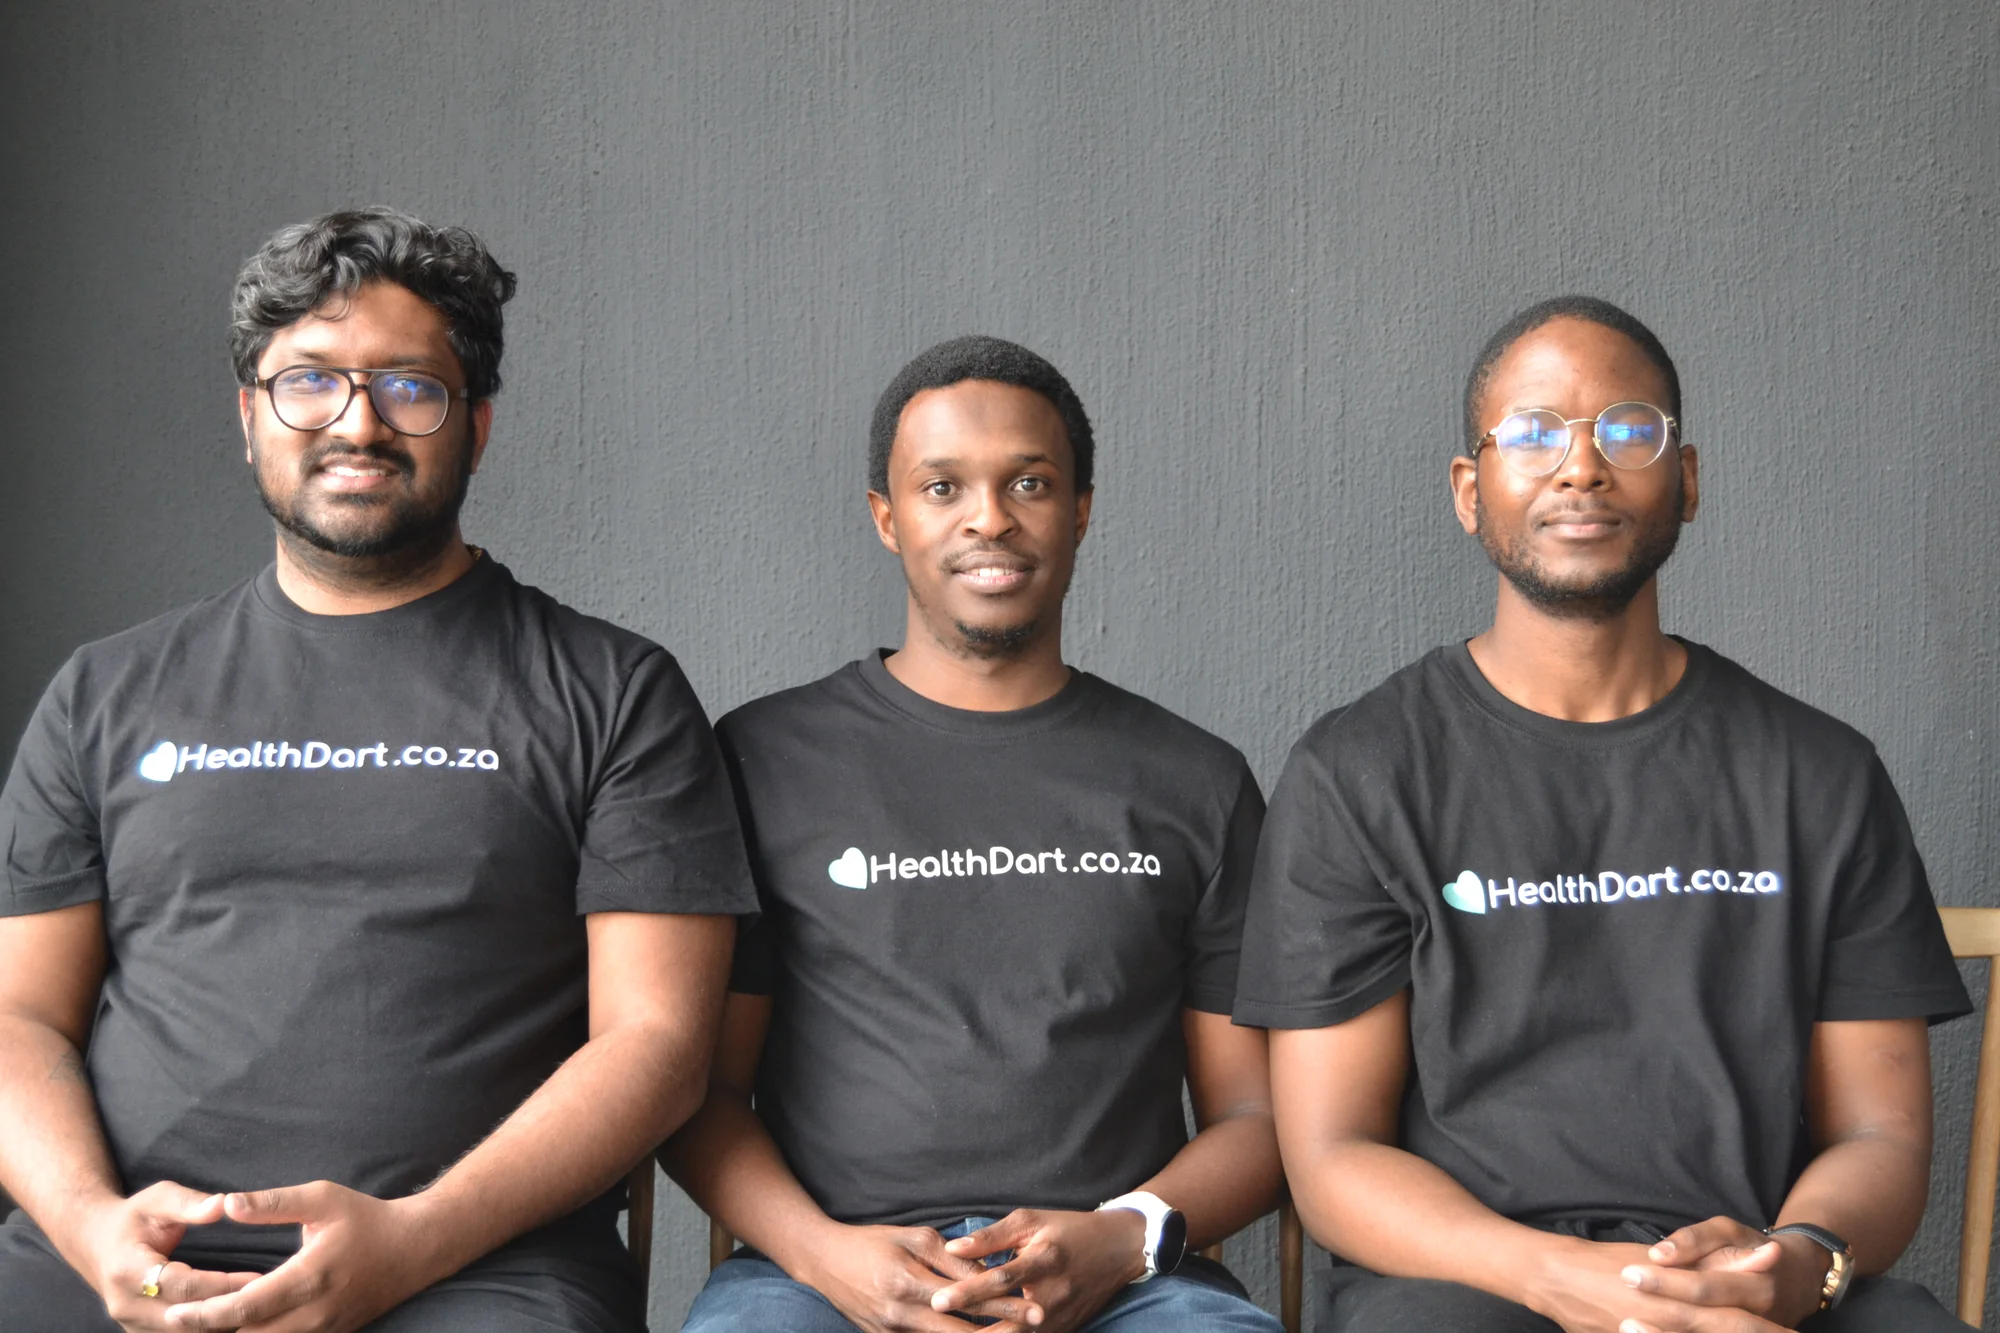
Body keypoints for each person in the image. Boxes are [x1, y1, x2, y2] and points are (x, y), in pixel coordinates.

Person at [0, 207, 756, 1333]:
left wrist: (413, 1241)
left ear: (479, 424)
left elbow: (657, 1046)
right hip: (126, 1252)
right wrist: (90, 1224)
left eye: (409, 386)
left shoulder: (614, 689)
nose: (357, 423)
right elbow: (18, 1014)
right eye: (309, 382)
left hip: (480, 1264)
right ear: (249, 415)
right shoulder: (106, 691)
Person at [1233, 295, 1973, 1333]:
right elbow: (1331, 1159)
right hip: (1469, 1286)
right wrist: (1555, 1278)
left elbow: (1880, 1138)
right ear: (1467, 488)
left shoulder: (1818, 773)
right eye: (1531, 433)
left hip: (1744, 1272)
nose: (1579, 465)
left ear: (1686, 479)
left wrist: (1792, 1262)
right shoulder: (1359, 772)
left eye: (1628, 429)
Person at [661, 335, 1285, 1333]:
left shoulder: (1193, 780)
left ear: (1079, 508)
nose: (987, 518)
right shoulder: (763, 760)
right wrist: (829, 1259)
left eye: (1028, 482)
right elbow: (701, 1092)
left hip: (1125, 1285)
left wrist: (1122, 1234)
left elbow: (1255, 1118)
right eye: (942, 486)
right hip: (821, 1276)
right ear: (886, 517)